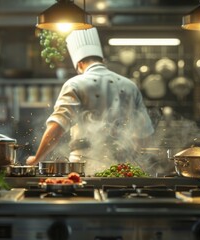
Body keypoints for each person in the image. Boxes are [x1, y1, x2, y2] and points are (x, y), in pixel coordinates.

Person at [26, 27, 154, 173]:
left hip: (83, 167)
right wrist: (130, 161)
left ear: (79, 64)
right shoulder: (130, 85)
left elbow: (57, 127)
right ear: (103, 61)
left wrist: (37, 159)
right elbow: (144, 134)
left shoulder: (75, 84)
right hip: (121, 169)